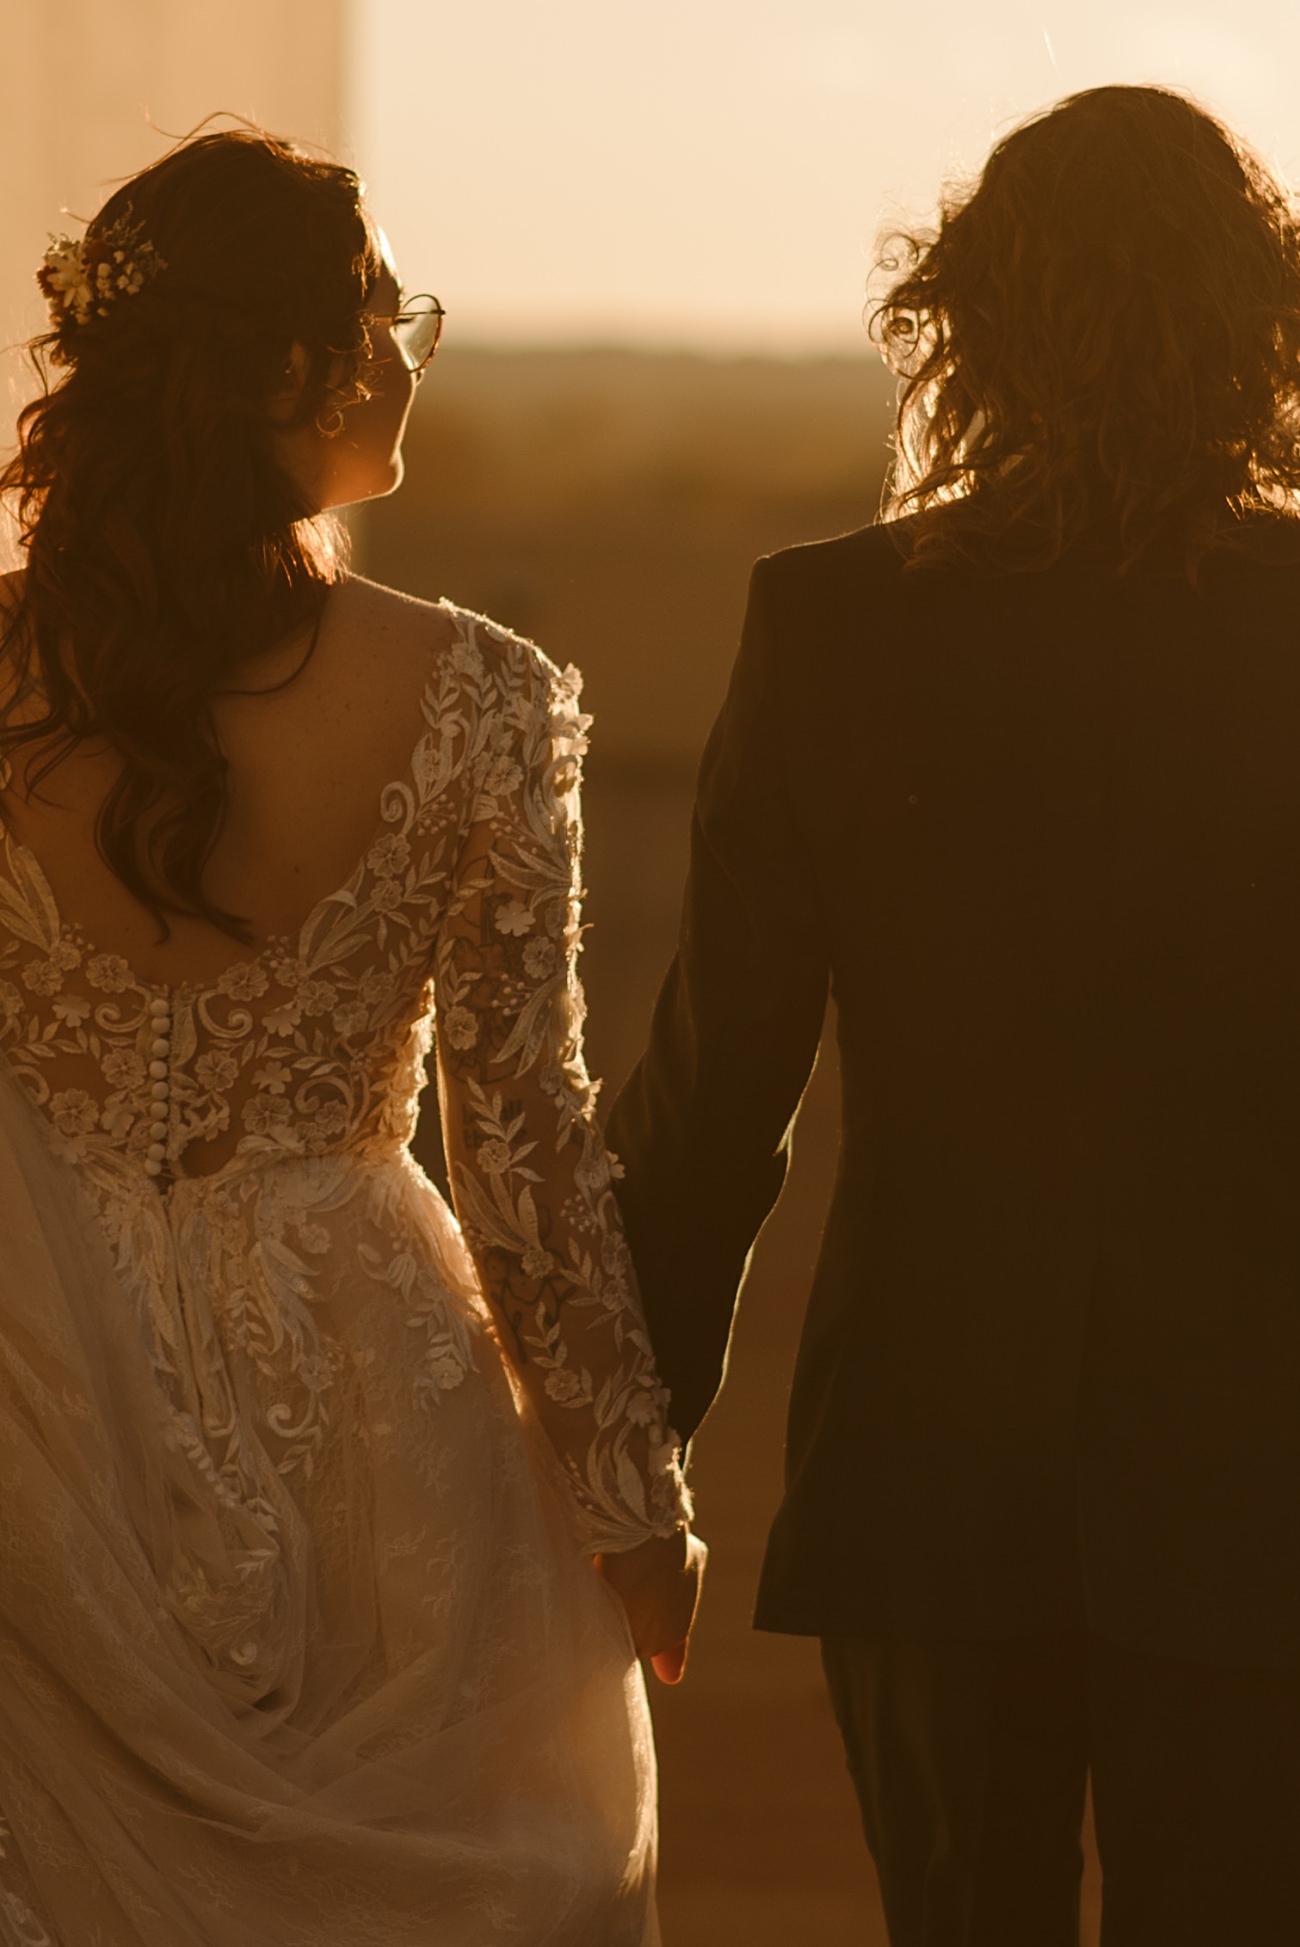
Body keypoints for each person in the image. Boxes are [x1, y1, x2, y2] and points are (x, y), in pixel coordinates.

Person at [607, 83, 1300, 1947]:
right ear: (1263, 325)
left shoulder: (833, 626)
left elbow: (709, 1108)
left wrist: (624, 1448)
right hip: (1263, 1479)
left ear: (969, 319)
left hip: (926, 1468)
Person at [0, 127, 703, 1945]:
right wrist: (630, 1497)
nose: (416, 348)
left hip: (34, 1373)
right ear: (300, 363)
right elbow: (525, 1136)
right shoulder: (477, 698)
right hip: (364, 1387)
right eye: (396, 309)